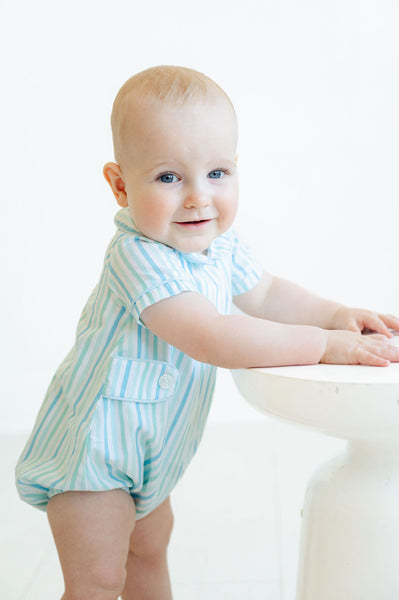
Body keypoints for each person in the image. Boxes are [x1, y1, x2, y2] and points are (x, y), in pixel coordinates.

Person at [15, 65, 399, 600]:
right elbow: (212, 336)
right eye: (169, 178)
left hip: (152, 454)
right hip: (94, 456)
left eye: (217, 173)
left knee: (148, 554)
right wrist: (325, 346)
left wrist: (334, 315)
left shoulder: (218, 244)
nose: (198, 197)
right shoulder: (137, 256)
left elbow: (265, 293)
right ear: (121, 185)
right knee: (97, 583)